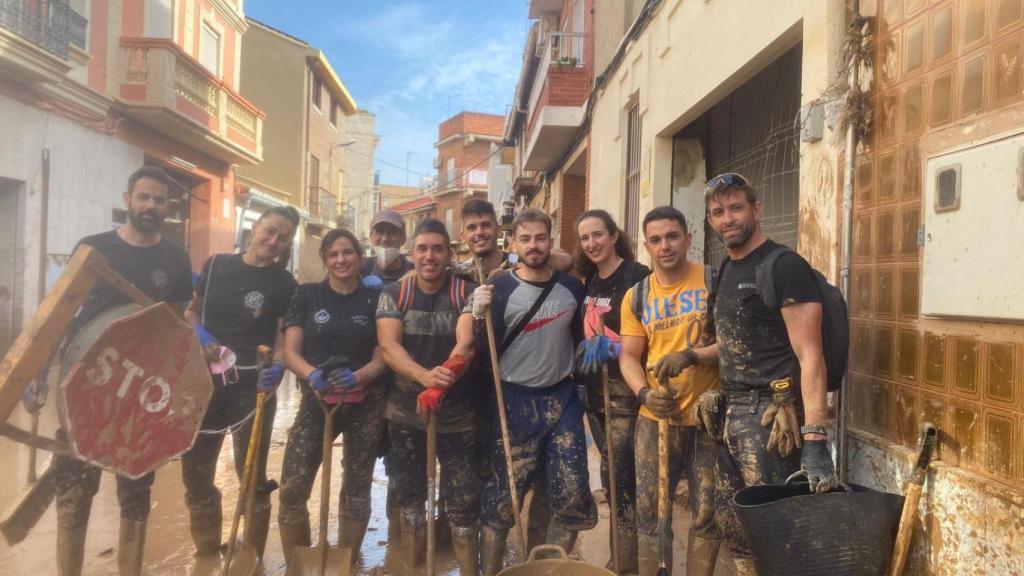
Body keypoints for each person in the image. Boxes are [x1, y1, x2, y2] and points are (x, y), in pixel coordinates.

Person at [677, 173, 836, 575]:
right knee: (736, 529)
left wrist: (816, 437)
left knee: (776, 534)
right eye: (718, 212)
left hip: (773, 421)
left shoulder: (782, 266)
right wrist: (692, 356)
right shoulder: (728, 270)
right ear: (710, 221)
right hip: (731, 414)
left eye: (736, 208)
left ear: (756, 210)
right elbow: (739, 342)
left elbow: (810, 354)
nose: (727, 218)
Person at [45, 166, 192, 576]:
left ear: (168, 207)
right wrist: (39, 375)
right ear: (127, 199)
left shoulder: (176, 257)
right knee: (74, 490)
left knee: (136, 490)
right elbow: (58, 314)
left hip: (140, 394)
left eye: (159, 200)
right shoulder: (92, 248)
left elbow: (175, 330)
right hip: (83, 387)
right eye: (143, 197)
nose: (150, 206)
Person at [477, 208, 597, 575]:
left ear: (550, 240)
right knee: (503, 501)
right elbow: (485, 353)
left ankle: (546, 570)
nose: (534, 246)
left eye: (540, 238)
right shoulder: (498, 290)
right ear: (513, 244)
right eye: (525, 239)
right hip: (513, 403)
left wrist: (598, 348)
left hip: (562, 401)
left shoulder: (572, 287)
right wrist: (475, 315)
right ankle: (494, 572)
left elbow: (581, 340)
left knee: (573, 495)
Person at [181, 206, 299, 562]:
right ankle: (206, 555)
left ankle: (251, 557)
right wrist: (200, 333)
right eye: (270, 231)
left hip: (254, 388)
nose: (273, 241)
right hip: (205, 384)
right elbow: (191, 310)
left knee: (252, 477)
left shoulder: (285, 284)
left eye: (283, 238)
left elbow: (281, 337)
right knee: (196, 474)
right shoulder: (216, 266)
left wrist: (278, 368)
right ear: (255, 228)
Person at [617, 206, 720, 576]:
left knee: (707, 515)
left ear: (688, 238)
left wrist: (693, 355)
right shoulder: (637, 296)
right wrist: (644, 393)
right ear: (646, 246)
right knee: (651, 514)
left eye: (672, 236)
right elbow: (628, 356)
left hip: (707, 420)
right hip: (654, 420)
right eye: (656, 240)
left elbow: (734, 344)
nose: (665, 246)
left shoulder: (713, 281)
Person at [277, 228, 390, 567]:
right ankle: (299, 566)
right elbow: (289, 351)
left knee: (356, 487)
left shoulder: (376, 298)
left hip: (365, 402)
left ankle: (347, 562)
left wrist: (358, 377)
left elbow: (385, 353)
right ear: (325, 260)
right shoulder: (307, 294)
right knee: (293, 486)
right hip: (317, 400)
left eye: (348, 253)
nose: (341, 260)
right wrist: (311, 374)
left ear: (359, 257)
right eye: (333, 254)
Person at [376, 218, 480, 574]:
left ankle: (467, 567)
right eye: (422, 249)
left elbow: (466, 344)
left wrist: (440, 383)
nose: (430, 256)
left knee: (464, 500)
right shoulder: (395, 293)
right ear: (412, 253)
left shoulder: (464, 292)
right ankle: (414, 564)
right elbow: (388, 347)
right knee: (409, 496)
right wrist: (423, 377)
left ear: (449, 253)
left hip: (458, 413)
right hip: (406, 412)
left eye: (437, 249)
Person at [573, 209, 649, 573]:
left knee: (620, 480)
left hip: (624, 397)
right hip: (596, 397)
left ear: (614, 235)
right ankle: (620, 556)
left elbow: (655, 336)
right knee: (610, 474)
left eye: (598, 235)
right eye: (585, 238)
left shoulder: (637, 277)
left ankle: (626, 564)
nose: (592, 244)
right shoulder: (589, 280)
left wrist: (617, 347)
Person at [361, 209, 414, 287]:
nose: (385, 239)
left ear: (403, 238)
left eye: (393, 232)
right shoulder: (362, 270)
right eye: (380, 231)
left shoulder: (415, 274)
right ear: (371, 237)